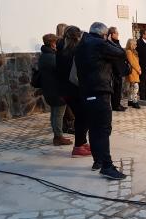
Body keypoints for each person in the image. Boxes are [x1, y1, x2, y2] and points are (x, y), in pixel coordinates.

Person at [74, 22, 127, 180]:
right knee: (103, 130)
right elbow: (121, 53)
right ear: (104, 34)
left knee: (95, 129)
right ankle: (107, 166)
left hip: (86, 93)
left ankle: (98, 161)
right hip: (99, 92)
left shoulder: (82, 44)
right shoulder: (98, 44)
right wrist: (109, 40)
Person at [56, 25, 92, 158]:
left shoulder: (61, 49)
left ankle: (82, 143)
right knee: (84, 117)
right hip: (74, 89)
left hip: (64, 90)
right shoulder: (74, 50)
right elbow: (75, 76)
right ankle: (78, 147)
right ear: (77, 37)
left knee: (82, 116)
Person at [38, 33, 72, 147]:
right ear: (53, 43)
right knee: (58, 115)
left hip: (49, 90)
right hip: (57, 90)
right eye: (56, 42)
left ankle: (57, 135)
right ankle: (58, 137)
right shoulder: (51, 57)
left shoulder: (44, 55)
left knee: (54, 114)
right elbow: (61, 70)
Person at [56, 23, 75, 135]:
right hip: (67, 79)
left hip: (62, 79)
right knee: (68, 105)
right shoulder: (62, 44)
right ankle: (69, 126)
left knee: (65, 105)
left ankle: (66, 126)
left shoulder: (57, 45)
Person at [107, 27, 128, 111]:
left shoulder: (116, 43)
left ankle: (118, 104)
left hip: (119, 70)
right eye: (116, 33)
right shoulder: (110, 44)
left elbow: (122, 54)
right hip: (114, 70)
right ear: (112, 34)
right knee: (115, 89)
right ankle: (115, 105)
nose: (118, 35)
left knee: (118, 89)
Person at [125, 39, 141, 109]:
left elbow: (136, 62)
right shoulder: (128, 52)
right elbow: (132, 63)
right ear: (131, 44)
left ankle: (130, 100)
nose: (136, 46)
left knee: (132, 87)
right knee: (135, 87)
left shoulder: (134, 52)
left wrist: (139, 68)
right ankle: (135, 101)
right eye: (134, 44)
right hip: (132, 72)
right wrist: (138, 69)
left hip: (135, 72)